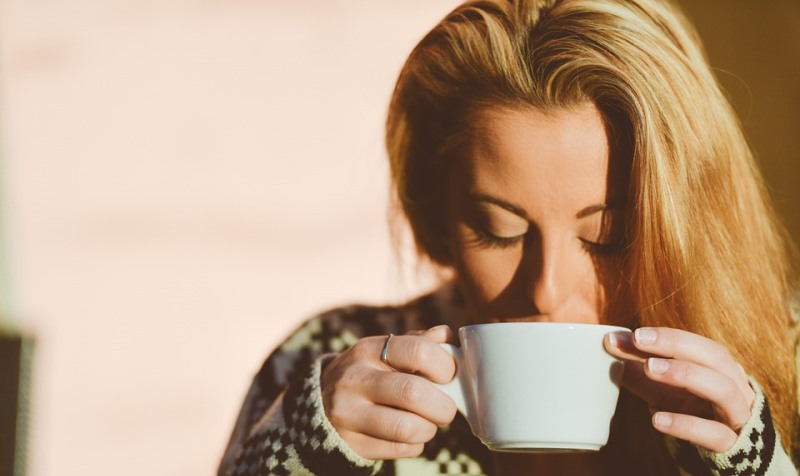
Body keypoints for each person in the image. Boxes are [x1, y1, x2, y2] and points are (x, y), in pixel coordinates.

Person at [218, 0, 800, 474]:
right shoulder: (328, 359)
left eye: (607, 237)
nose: (545, 291)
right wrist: (292, 457)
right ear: (438, 213)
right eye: (499, 231)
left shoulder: (785, 362)